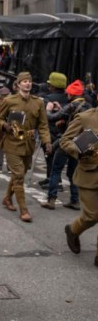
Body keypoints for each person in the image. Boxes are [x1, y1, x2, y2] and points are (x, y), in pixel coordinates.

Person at [0, 71, 52, 222]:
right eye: (24, 81)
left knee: (19, 174)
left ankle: (7, 198)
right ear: (18, 84)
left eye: (29, 81)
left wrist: (47, 142)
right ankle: (24, 210)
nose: (27, 83)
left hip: (28, 143)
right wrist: (5, 126)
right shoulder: (9, 101)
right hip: (12, 142)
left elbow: (43, 124)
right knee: (19, 176)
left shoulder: (38, 102)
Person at [60, 100, 98, 264]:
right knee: (91, 216)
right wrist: (81, 150)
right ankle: (73, 231)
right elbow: (65, 141)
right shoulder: (84, 117)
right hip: (90, 173)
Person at [44, 79, 88, 210]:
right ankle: (75, 200)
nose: (67, 95)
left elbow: (52, 118)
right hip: (81, 142)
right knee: (73, 172)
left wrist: (49, 110)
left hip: (67, 141)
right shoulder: (88, 106)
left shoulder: (72, 106)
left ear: (72, 94)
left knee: (56, 169)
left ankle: (51, 199)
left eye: (68, 93)